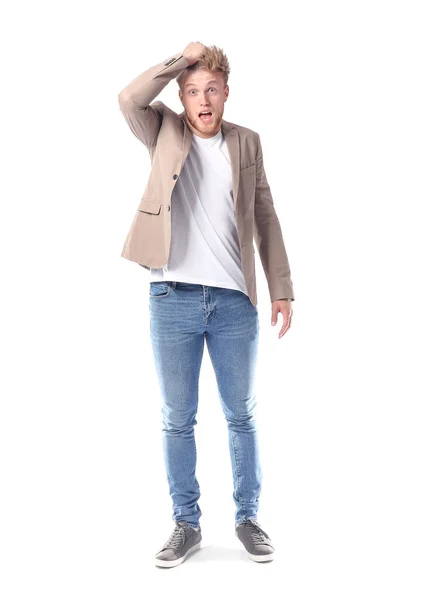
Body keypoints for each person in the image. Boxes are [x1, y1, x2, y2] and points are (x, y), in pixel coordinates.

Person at [118, 41, 295, 567]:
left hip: (234, 301)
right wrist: (181, 57)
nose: (203, 100)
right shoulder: (163, 129)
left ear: (225, 93)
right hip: (171, 296)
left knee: (241, 413)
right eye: (193, 91)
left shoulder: (247, 143)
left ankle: (248, 518)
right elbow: (129, 98)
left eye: (211, 90)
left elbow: (265, 215)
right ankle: (185, 523)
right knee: (178, 417)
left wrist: (280, 286)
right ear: (181, 94)